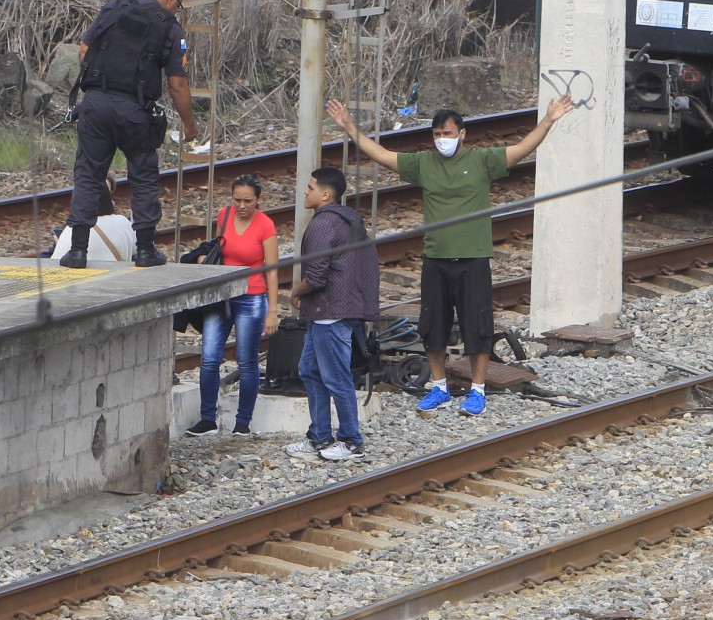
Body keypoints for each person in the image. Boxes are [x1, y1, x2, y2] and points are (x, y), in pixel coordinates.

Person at [326, 94, 576, 416]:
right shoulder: (423, 164)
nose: (441, 139)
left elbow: (522, 149)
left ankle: (478, 389)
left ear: (462, 133)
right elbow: (383, 155)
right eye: (436, 134)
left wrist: (549, 119)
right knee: (433, 326)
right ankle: (439, 387)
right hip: (436, 258)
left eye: (447, 133)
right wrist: (348, 126)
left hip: (472, 258)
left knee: (478, 326)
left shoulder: (482, 161)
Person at [60, 0, 202, 269]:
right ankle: (147, 250)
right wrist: (190, 124)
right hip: (135, 111)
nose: (178, 10)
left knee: (88, 174)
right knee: (143, 176)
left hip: (96, 105)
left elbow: (84, 51)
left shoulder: (114, 8)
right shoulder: (170, 27)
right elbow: (177, 83)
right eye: (180, 5)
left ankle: (77, 251)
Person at [287, 167, 380, 461]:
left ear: (326, 194)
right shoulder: (348, 220)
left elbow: (316, 276)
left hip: (330, 311)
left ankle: (351, 441)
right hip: (333, 310)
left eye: (310, 186)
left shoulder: (323, 224)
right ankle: (319, 437)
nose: (306, 191)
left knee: (336, 377)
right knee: (310, 371)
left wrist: (295, 292)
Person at [186, 174, 279, 437]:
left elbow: (272, 271)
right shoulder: (224, 216)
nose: (242, 206)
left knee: (247, 361)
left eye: (248, 200)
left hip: (252, 296)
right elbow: (217, 248)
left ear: (258, 200)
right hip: (221, 295)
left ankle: (243, 421)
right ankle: (208, 418)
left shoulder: (266, 226)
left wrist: (272, 310)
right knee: (210, 358)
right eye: (237, 199)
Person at [49, 178, 136, 263]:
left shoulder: (72, 229)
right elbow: (136, 251)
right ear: (108, 199)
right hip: (117, 276)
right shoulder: (123, 223)